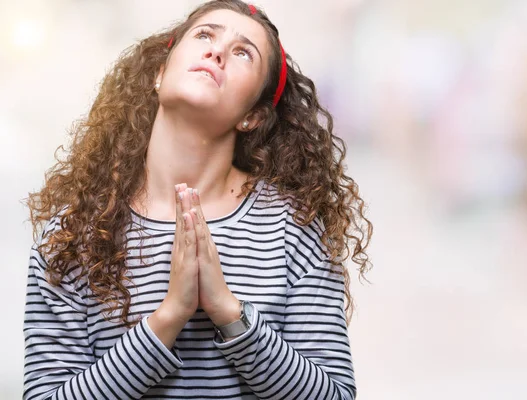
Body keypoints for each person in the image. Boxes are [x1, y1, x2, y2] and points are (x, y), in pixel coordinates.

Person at [22, 1, 372, 399]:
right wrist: (168, 318)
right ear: (159, 74)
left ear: (253, 116)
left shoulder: (294, 227)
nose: (217, 51)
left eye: (243, 53)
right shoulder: (72, 236)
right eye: (205, 34)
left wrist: (228, 311)